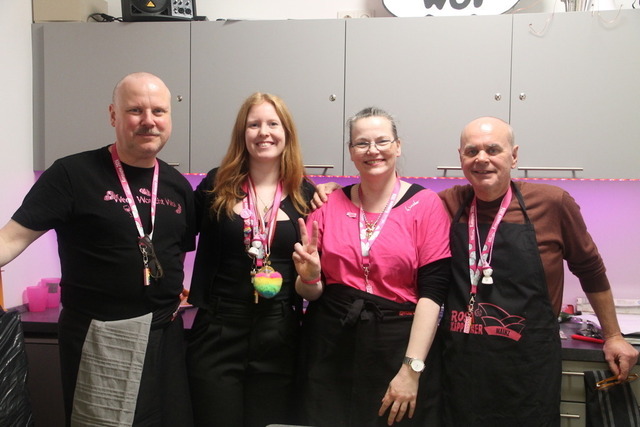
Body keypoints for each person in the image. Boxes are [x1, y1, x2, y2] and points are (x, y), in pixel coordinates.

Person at [0, 72, 196, 425]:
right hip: (101, 337)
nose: (149, 120)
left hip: (164, 336)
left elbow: (174, 255)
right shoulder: (72, 174)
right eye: (135, 110)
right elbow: (11, 239)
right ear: (113, 115)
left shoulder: (177, 185)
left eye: (158, 111)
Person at [438, 116, 639, 426]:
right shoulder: (446, 203)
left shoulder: (552, 203)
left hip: (529, 367)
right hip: (461, 365)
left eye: (493, 149)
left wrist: (613, 335)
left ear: (514, 155)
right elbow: (393, 203)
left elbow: (590, 270)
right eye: (471, 151)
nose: (481, 159)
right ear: (460, 157)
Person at [292, 107, 452, 426]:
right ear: (351, 151)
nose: (372, 150)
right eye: (362, 143)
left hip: (397, 347)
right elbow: (310, 291)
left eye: (382, 141)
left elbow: (433, 295)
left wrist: (411, 370)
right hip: (329, 346)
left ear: (398, 146)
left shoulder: (426, 205)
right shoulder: (327, 205)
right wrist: (308, 278)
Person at [186, 92, 317, 426]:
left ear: (286, 133)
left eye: (273, 124)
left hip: (279, 331)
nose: (264, 132)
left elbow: (313, 284)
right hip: (218, 328)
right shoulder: (217, 184)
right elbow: (177, 235)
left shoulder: (306, 194)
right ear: (242, 134)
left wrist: (311, 276)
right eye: (254, 124)